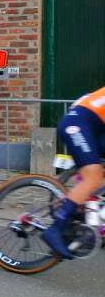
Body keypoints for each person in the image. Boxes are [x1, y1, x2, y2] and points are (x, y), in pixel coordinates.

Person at [41, 86, 105, 259]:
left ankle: (83, 212)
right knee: (93, 177)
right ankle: (56, 229)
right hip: (76, 125)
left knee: (96, 175)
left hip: (92, 128)